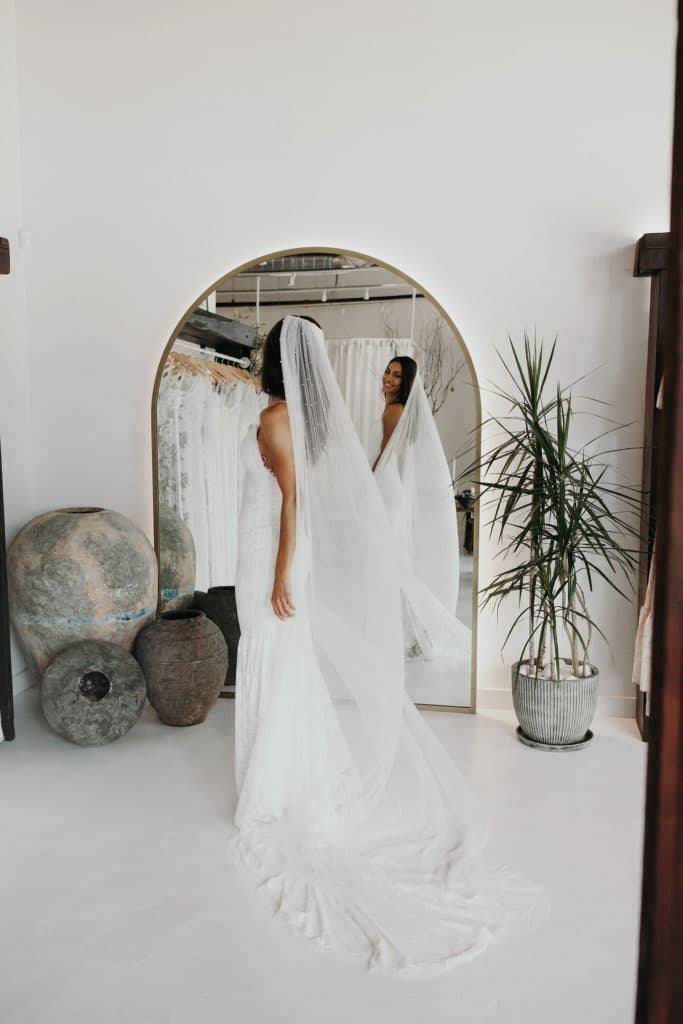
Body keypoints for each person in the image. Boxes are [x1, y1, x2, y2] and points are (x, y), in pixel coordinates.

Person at [231, 315, 545, 973]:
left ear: (276, 361)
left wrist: (281, 573)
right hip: (283, 548)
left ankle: (272, 780)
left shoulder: (272, 419)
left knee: (269, 646)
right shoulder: (299, 420)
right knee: (282, 657)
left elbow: (289, 500)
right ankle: (283, 764)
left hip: (271, 550)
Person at [373, 358, 470, 663]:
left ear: (406, 383)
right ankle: (411, 630)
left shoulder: (393, 411)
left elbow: (386, 454)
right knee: (396, 561)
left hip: (386, 486)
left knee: (392, 564)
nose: (388, 377)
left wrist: (368, 482)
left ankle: (405, 631)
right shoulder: (401, 411)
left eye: (397, 375)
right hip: (394, 489)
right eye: (388, 371)